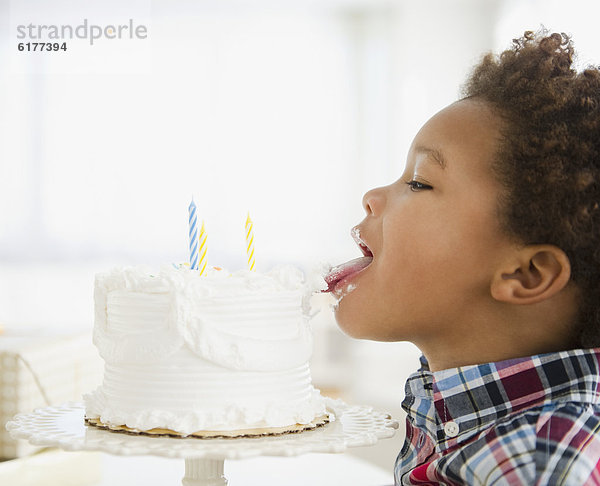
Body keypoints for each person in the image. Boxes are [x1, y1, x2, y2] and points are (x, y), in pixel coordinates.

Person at [324, 30, 600, 485]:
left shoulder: (544, 465)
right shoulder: (455, 415)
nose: (371, 196)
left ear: (526, 274)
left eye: (419, 182)